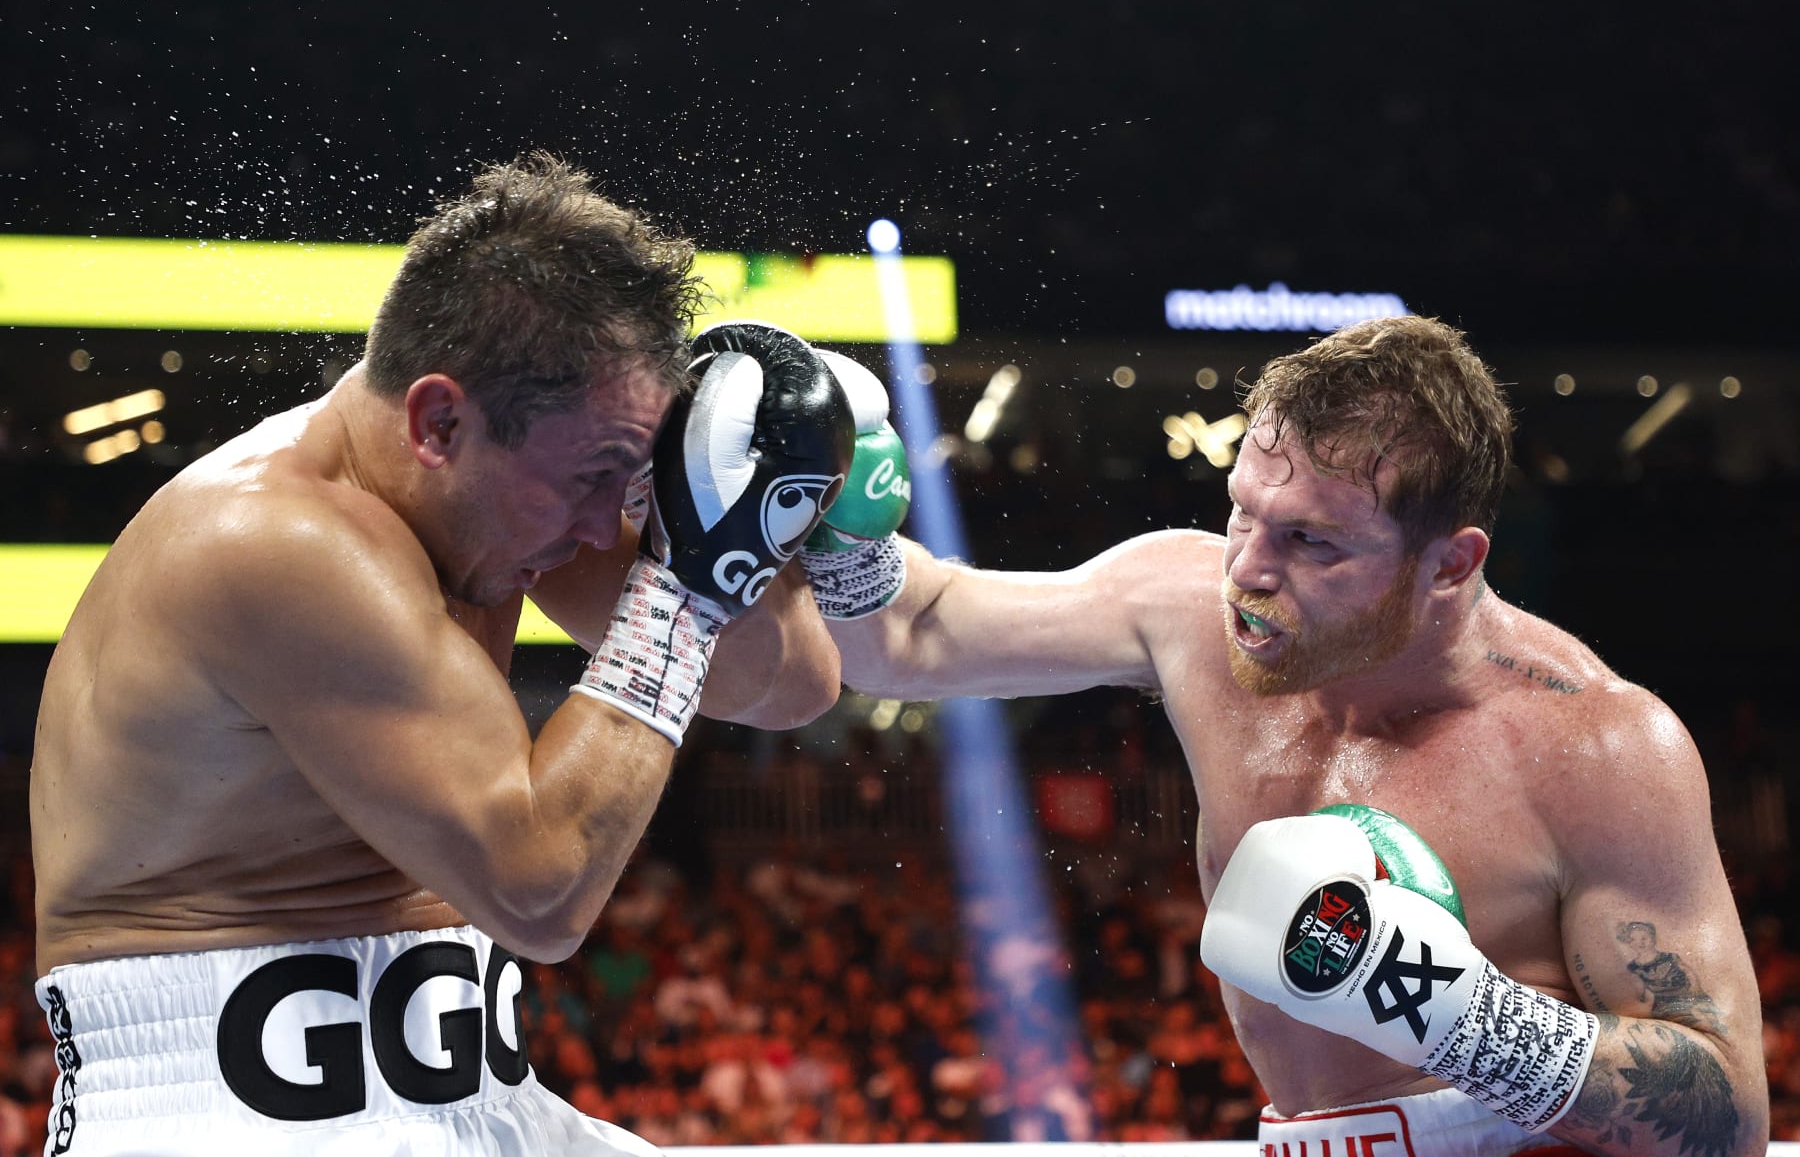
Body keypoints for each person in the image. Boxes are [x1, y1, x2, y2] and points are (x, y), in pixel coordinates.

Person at [30, 154, 853, 1154]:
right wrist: (685, 590)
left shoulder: (496, 494)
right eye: (596, 477)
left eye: (630, 479)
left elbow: (785, 687)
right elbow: (538, 892)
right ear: (439, 422)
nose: (607, 527)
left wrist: (735, 531)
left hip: (475, 1096)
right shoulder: (278, 541)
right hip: (232, 1118)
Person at [808, 315, 1769, 1155]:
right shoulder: (1187, 609)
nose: (1248, 571)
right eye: (1243, 512)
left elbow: (1727, 1114)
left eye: (1311, 540)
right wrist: (835, 519)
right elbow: (910, 637)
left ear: (1449, 564)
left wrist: (1450, 1012)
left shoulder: (1594, 746)